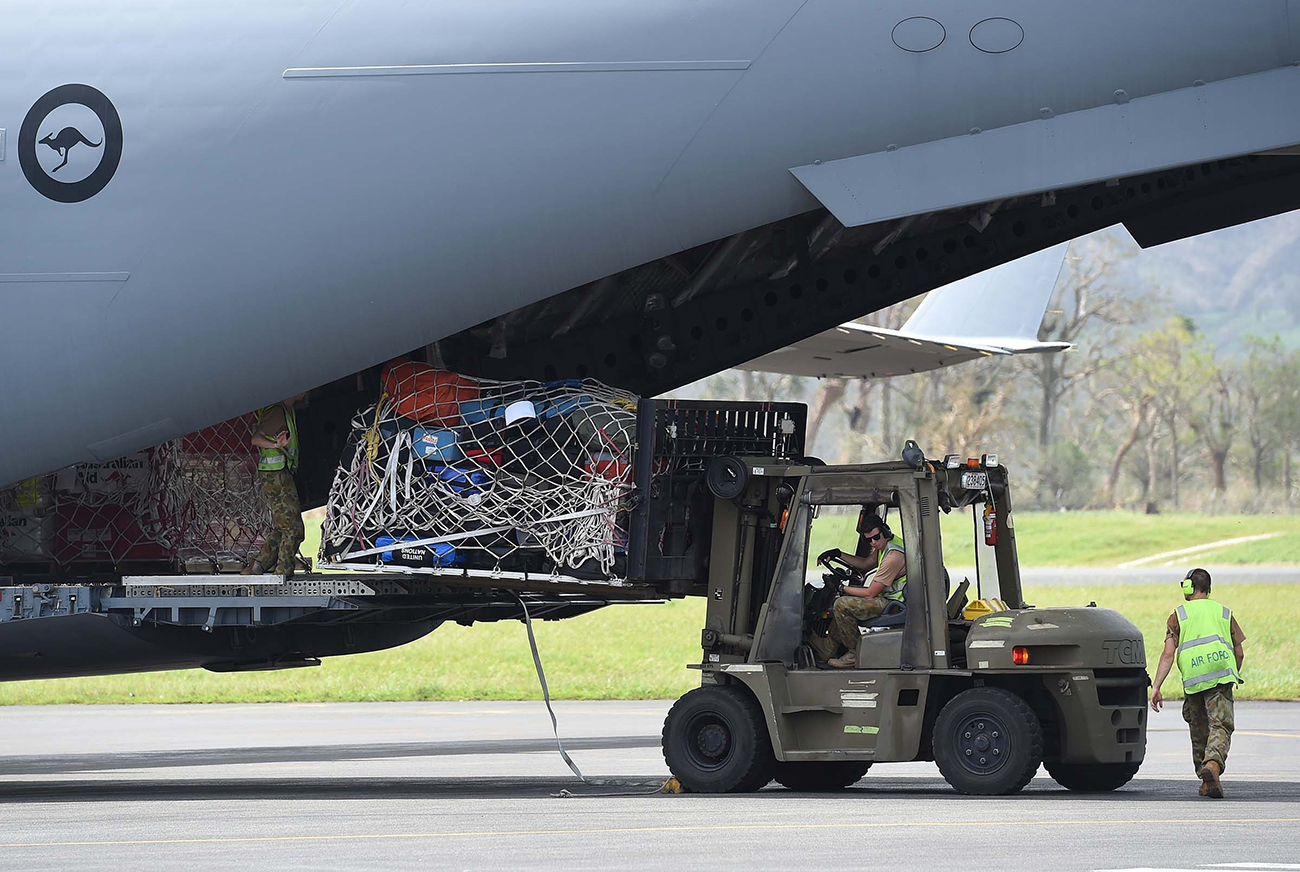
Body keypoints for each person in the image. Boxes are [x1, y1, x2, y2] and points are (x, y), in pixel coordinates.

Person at [1150, 567, 1246, 799]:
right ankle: (1212, 765)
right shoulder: (1224, 612)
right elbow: (1239, 652)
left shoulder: (1178, 615)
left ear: (1188, 587)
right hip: (1220, 675)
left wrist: (1157, 686)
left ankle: (1204, 777)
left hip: (1193, 680)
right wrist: (1231, 674)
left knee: (1199, 727)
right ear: (1209, 589)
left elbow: (1167, 654)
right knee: (1220, 725)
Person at [809, 511, 907, 668]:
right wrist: (838, 554)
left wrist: (842, 588)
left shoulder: (893, 555)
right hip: (887, 599)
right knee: (842, 602)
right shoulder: (884, 545)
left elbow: (870, 593)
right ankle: (827, 648)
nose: (873, 542)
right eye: (869, 540)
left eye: (876, 537)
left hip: (893, 603)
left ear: (886, 532)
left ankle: (854, 654)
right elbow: (866, 563)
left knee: (842, 604)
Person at [243, 393, 307, 578]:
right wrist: (275, 445)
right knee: (293, 529)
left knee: (283, 527)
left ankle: (258, 565)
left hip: (279, 474)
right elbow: (256, 438)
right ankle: (283, 572)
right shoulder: (277, 411)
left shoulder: (286, 410)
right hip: (276, 475)